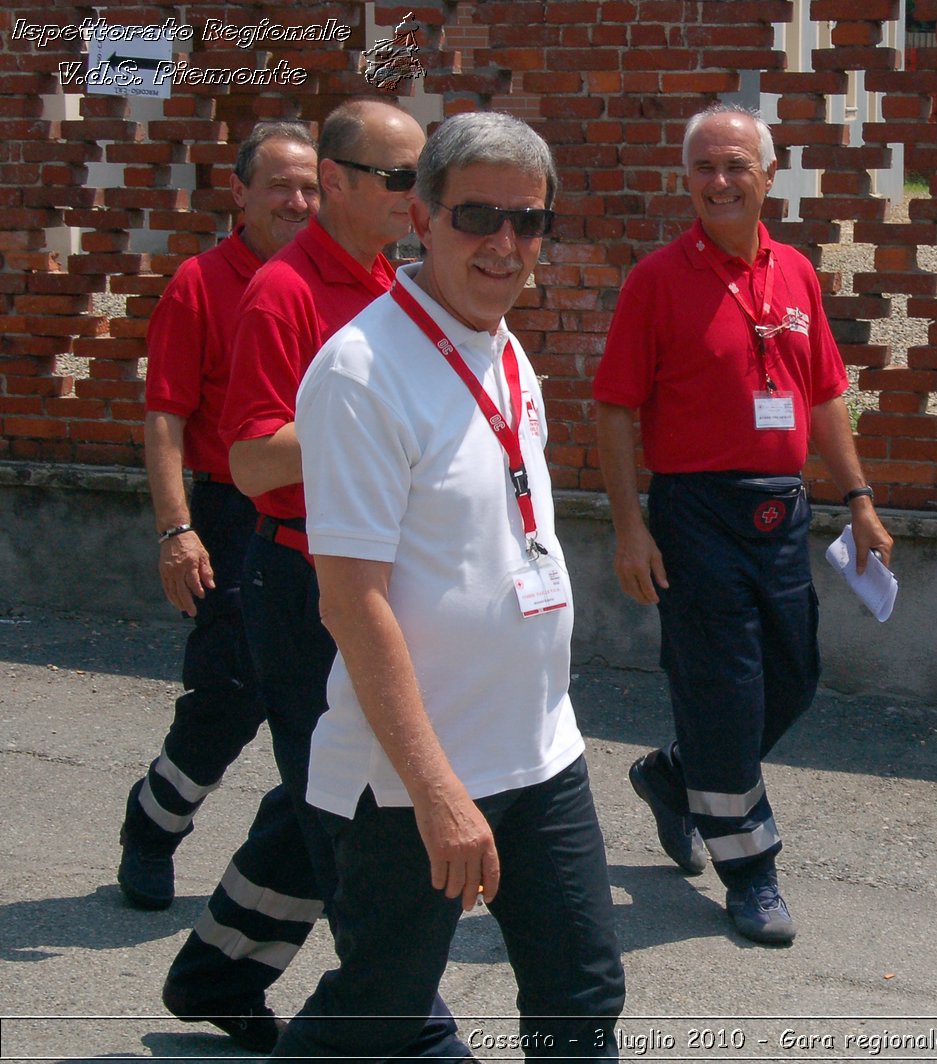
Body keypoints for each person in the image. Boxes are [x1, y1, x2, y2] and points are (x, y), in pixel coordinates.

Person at [275, 110, 624, 1060]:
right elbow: (351, 601)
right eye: (478, 217)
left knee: (584, 993)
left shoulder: (508, 351)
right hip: (407, 782)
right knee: (379, 1016)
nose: (505, 245)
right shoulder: (361, 372)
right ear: (420, 218)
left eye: (529, 221)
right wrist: (438, 792)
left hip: (540, 755)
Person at [158, 98, 469, 1057]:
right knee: (354, 813)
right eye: (398, 179)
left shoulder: (390, 278)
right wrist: (382, 428)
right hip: (302, 583)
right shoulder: (282, 293)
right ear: (335, 183)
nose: (416, 197)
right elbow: (250, 461)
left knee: (320, 789)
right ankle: (411, 1029)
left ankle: (218, 966)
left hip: (379, 569)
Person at [593, 103, 893, 946]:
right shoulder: (656, 279)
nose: (719, 183)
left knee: (792, 678)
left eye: (735, 167)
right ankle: (752, 871)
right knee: (724, 695)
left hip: (781, 514)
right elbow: (615, 410)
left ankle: (678, 774)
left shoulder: (795, 272)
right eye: (703, 168)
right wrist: (628, 527)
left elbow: (823, 393)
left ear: (769, 175)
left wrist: (858, 499)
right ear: (686, 180)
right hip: (695, 516)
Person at [119, 121, 319, 917]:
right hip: (233, 514)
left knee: (329, 705)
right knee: (229, 695)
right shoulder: (200, 284)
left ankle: (307, 876)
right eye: (280, 186)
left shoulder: (343, 279)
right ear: (239, 192)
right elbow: (164, 415)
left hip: (329, 509)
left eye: (310, 185)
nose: (298, 201)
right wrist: (176, 531)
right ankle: (155, 822)